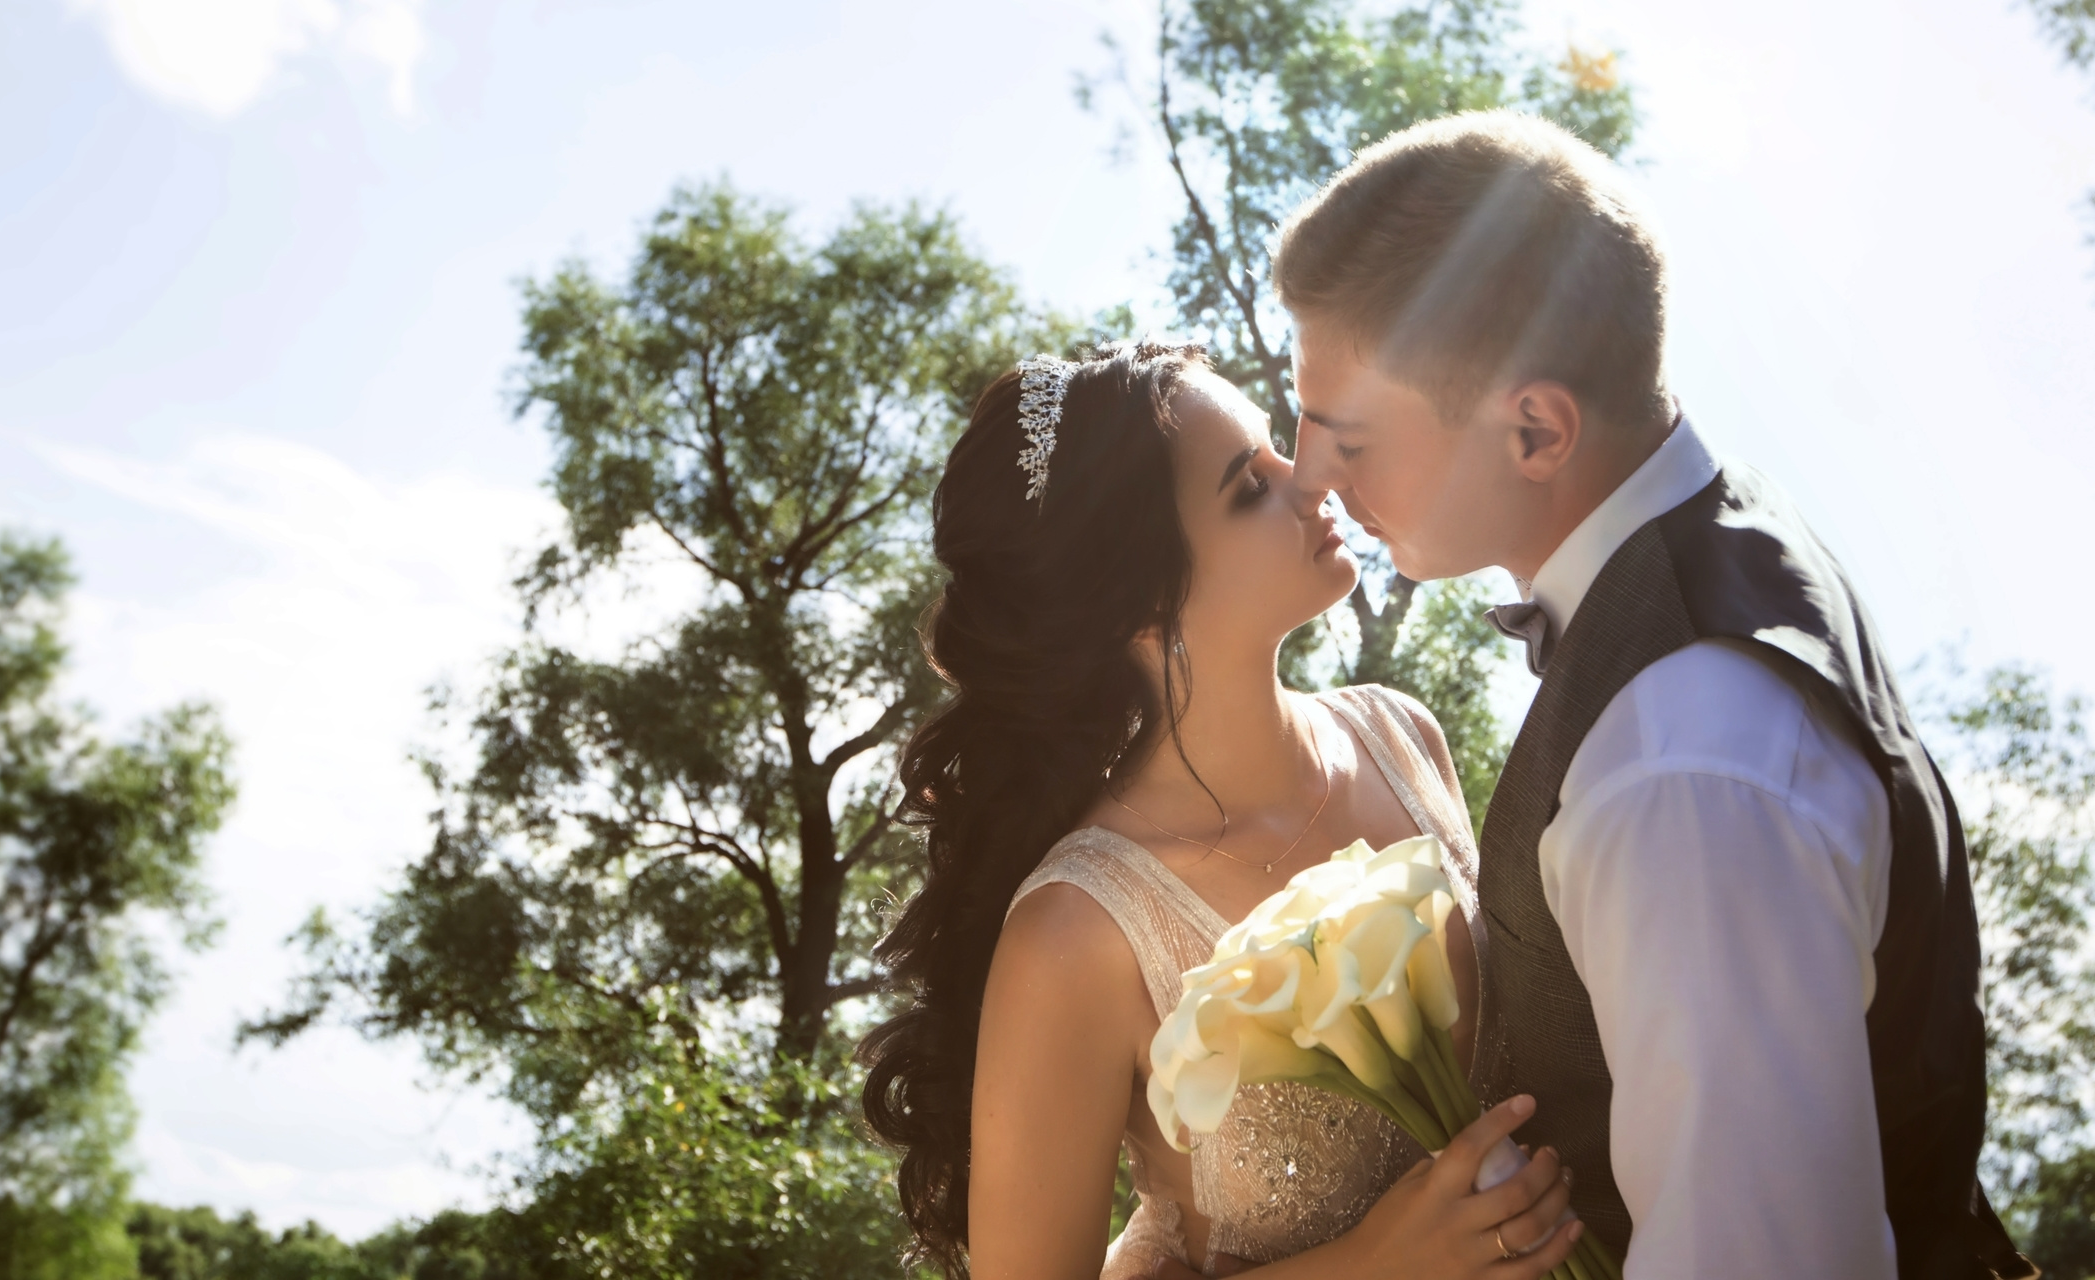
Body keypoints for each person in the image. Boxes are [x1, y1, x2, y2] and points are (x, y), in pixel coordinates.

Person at [1274, 110, 2033, 1279]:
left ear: (1535, 427)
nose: (1309, 473)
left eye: (1349, 437)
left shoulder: (1680, 764)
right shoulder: (1724, 561)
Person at [860, 339, 1583, 1279]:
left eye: (1277, 450)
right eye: (1250, 487)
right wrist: (1373, 1266)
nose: (1312, 479)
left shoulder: (1400, 737)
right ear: (1140, 607)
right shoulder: (1077, 929)